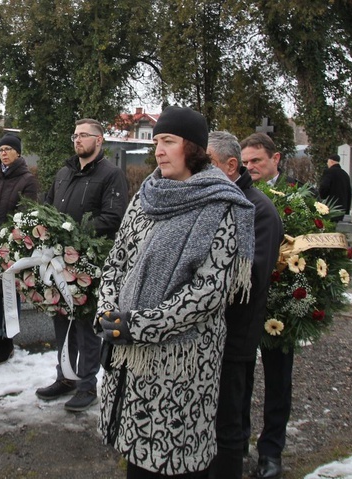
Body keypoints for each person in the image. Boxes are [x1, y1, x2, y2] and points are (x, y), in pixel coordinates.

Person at [95, 106, 255, 478]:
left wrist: (139, 325)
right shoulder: (146, 196)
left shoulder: (221, 205)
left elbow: (209, 292)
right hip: (131, 354)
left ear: (194, 148)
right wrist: (107, 312)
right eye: (156, 143)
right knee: (137, 458)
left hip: (182, 362)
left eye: (168, 141)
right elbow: (118, 261)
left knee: (172, 458)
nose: (159, 151)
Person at [37, 118, 129, 412]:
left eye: (84, 135)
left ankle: (87, 384)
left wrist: (71, 232)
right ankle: (65, 376)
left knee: (86, 327)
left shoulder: (112, 175)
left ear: (99, 140)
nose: (77, 140)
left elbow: (113, 218)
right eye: (74, 135)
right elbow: (49, 205)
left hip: (90, 262)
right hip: (58, 261)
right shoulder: (64, 172)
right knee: (61, 320)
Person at [207, 131, 283, 479]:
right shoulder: (212, 198)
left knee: (229, 419)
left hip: (235, 333)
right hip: (206, 331)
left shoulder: (259, 210)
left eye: (207, 164)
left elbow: (250, 275)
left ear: (230, 165)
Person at [239, 132, 297, 479]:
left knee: (278, 378)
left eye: (256, 161)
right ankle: (237, 439)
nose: (251, 167)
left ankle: (271, 450)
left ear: (276, 159)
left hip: (282, 305)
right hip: (246, 305)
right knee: (239, 377)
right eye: (245, 162)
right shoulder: (238, 193)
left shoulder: (298, 196)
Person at [0, 133, 38, 364]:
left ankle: (8, 341)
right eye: (1, 149)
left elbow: (25, 214)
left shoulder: (27, 180)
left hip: (11, 247)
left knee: (10, 293)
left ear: (18, 153)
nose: (3, 153)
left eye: (8, 149)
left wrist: (2, 238)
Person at [318, 153, 352, 221]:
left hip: (330, 207)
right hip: (342, 209)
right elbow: (349, 193)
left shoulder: (329, 172)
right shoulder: (345, 175)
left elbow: (324, 186)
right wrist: (347, 210)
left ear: (331, 161)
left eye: (327, 162)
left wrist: (322, 197)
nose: (327, 164)